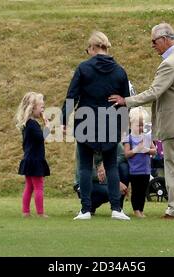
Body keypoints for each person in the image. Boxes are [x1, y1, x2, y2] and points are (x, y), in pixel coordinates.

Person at [109, 23, 174, 219]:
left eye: (154, 41)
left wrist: (125, 101)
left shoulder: (169, 63)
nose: (152, 45)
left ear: (165, 39)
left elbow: (154, 92)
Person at [61, 31, 131, 220]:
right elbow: (126, 100)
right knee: (111, 166)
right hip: (110, 121)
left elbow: (72, 96)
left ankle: (85, 209)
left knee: (84, 166)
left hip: (86, 121)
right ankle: (116, 209)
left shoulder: (84, 68)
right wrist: (123, 124)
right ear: (106, 47)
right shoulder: (119, 71)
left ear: (92, 48)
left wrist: (63, 119)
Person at [15, 92, 50, 218]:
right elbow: (41, 138)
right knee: (38, 186)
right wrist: (47, 127)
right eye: (41, 107)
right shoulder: (33, 124)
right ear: (32, 108)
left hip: (29, 159)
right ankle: (40, 213)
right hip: (36, 160)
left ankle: (26, 211)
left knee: (29, 186)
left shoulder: (27, 124)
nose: (43, 109)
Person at [73, 143, 129, 215]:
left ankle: (118, 208)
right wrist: (115, 183)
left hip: (103, 180)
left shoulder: (109, 137)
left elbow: (122, 154)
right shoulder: (85, 143)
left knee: (124, 168)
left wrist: (104, 164)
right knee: (111, 191)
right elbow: (90, 174)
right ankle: (87, 207)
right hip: (87, 183)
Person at [123, 107, 157, 218]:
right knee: (136, 191)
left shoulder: (147, 137)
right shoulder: (129, 138)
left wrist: (146, 150)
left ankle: (141, 209)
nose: (141, 128)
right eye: (138, 125)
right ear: (131, 125)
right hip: (134, 171)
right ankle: (136, 209)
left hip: (146, 170)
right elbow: (127, 154)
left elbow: (154, 150)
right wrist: (137, 149)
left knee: (143, 191)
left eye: (143, 125)